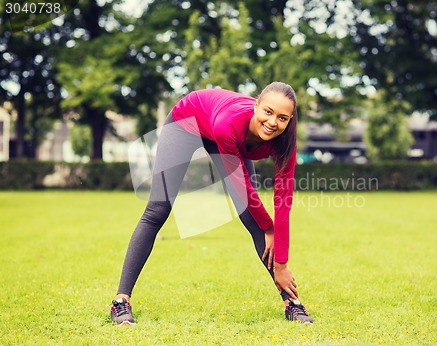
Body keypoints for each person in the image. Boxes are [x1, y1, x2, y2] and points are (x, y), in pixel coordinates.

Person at [110, 82, 314, 324]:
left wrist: (281, 261)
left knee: (252, 218)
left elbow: (283, 199)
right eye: (267, 112)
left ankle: (292, 303)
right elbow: (242, 185)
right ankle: (121, 302)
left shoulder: (285, 143)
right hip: (187, 122)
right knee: (157, 210)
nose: (272, 122)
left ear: (290, 120)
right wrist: (270, 227)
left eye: (282, 118)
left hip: (222, 128)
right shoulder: (229, 123)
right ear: (256, 105)